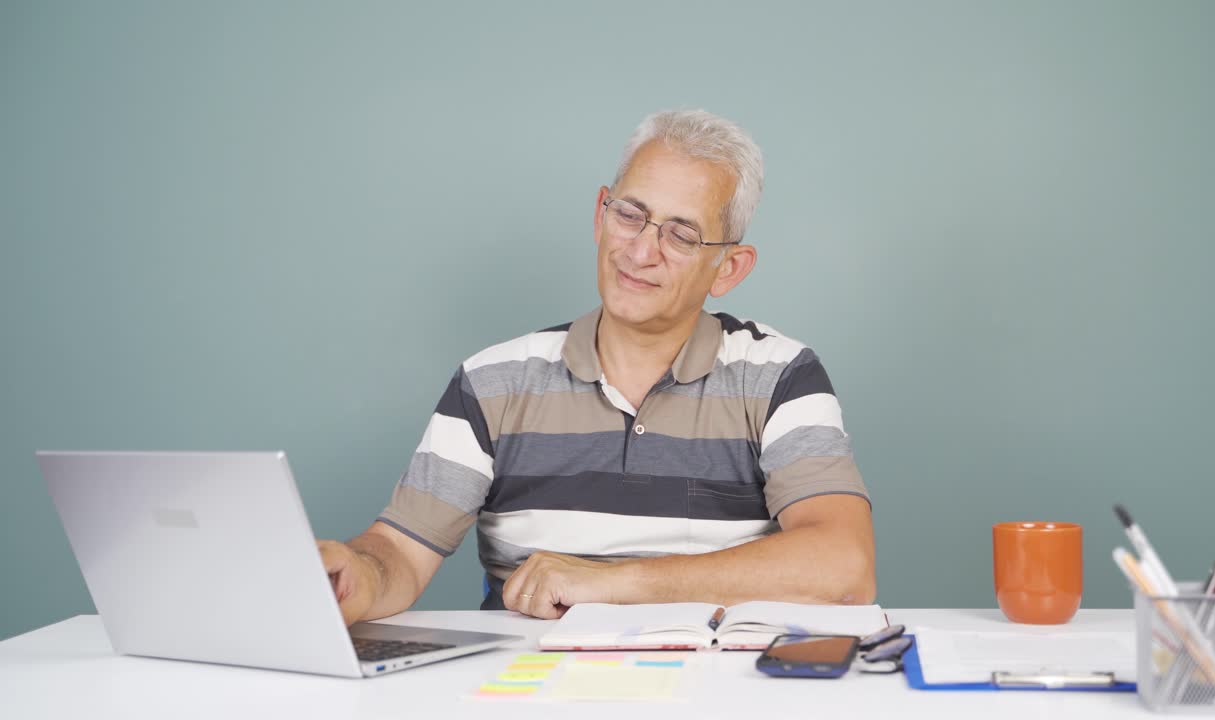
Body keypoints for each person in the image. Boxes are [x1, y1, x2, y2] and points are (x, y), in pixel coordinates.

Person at [319, 109, 875, 622]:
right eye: (631, 215)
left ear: (727, 269)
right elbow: (398, 554)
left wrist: (616, 583)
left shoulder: (780, 376)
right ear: (600, 215)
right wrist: (355, 573)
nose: (640, 251)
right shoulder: (491, 382)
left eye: (681, 234)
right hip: (527, 689)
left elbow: (845, 569)